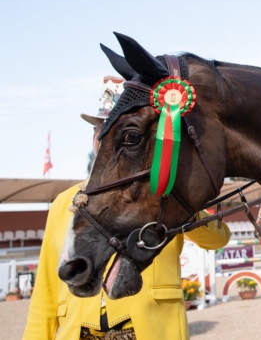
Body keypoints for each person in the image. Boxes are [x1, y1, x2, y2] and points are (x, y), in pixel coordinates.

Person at [24, 82, 231, 340]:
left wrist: (182, 206)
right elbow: (45, 291)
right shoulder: (63, 202)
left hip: (151, 330)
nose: (105, 137)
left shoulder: (162, 194)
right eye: (101, 129)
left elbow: (218, 238)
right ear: (94, 136)